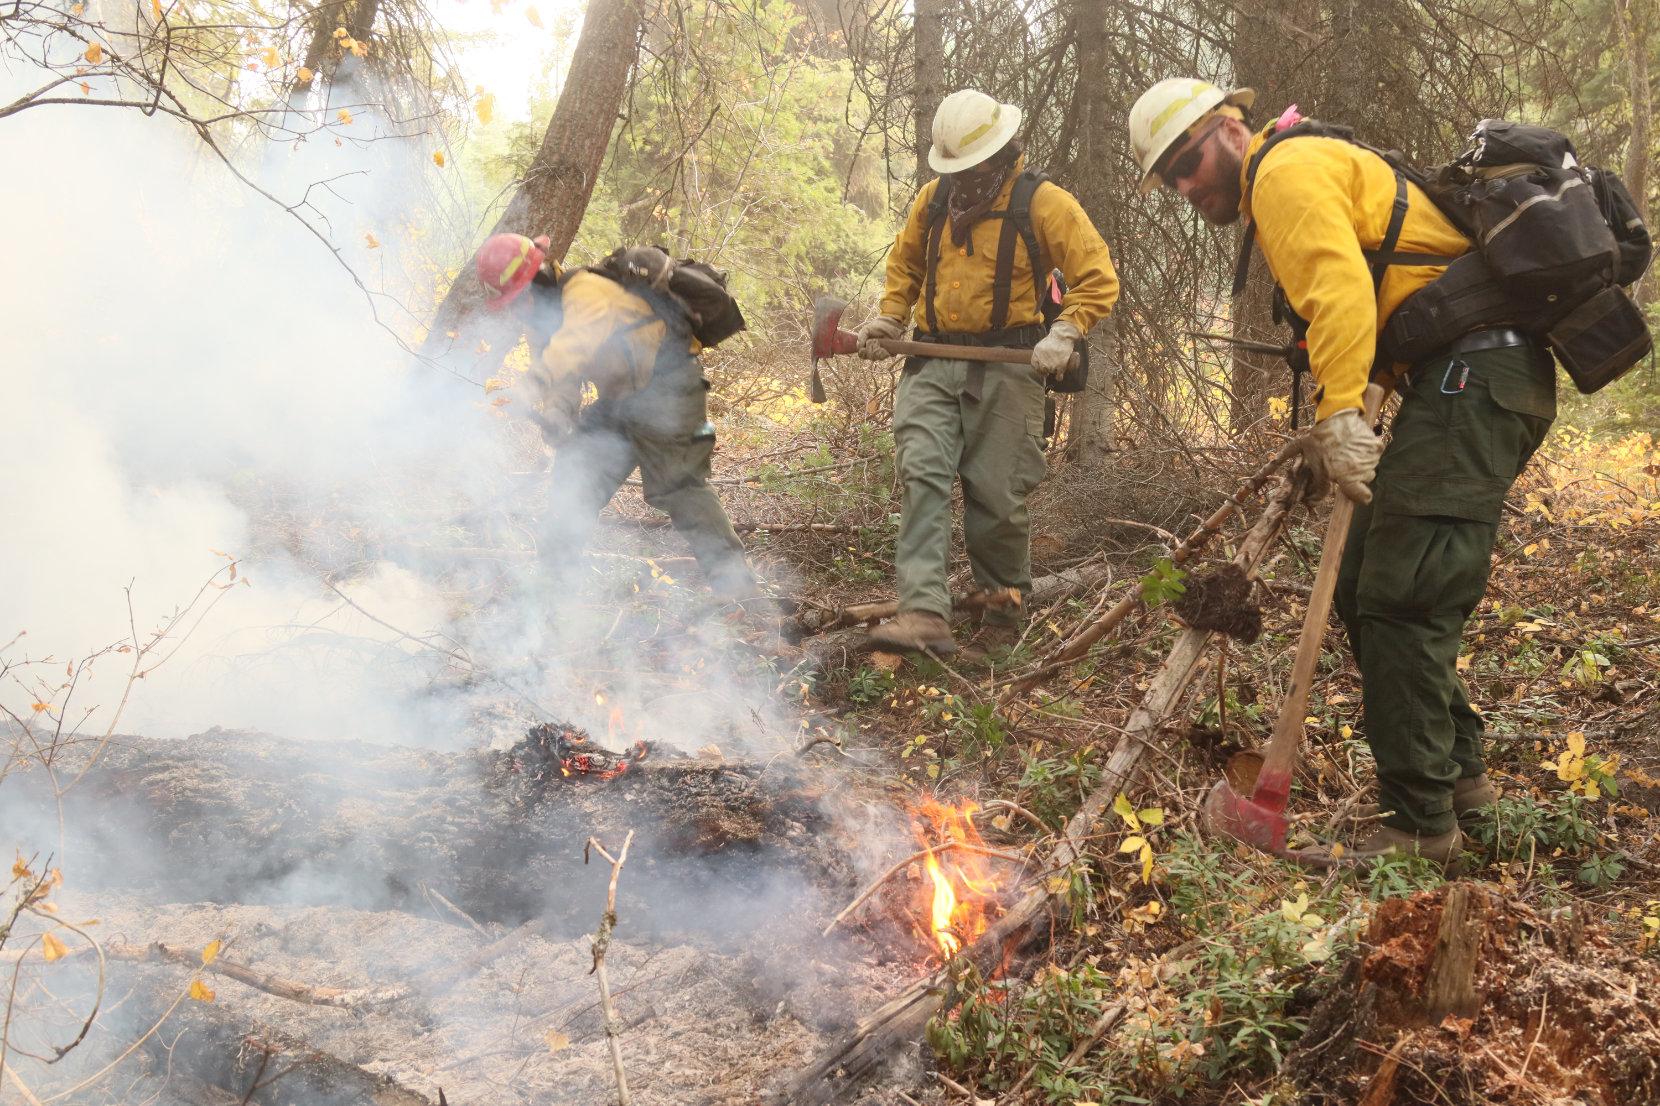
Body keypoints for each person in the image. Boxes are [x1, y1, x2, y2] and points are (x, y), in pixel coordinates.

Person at [1128, 78, 1557, 865]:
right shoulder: (1296, 173)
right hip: (1465, 376)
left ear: (1230, 127)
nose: (1187, 185)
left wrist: (1339, 416)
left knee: (1401, 596)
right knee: (1368, 587)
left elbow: (1343, 296)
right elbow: (1398, 300)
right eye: (1171, 177)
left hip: (1474, 379)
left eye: (1189, 160)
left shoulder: (1281, 174)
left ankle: (1421, 830)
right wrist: (1346, 418)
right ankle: (1460, 787)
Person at [859, 88, 1120, 662]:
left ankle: (1002, 619)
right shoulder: (933, 200)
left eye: (974, 167)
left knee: (997, 498)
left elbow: (1098, 276)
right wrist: (889, 317)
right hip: (930, 360)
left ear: (1002, 152)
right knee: (921, 475)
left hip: (1009, 367)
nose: (965, 179)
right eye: (957, 169)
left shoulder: (1045, 203)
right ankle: (924, 612)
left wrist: (1065, 331)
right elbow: (906, 263)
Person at [474, 233, 764, 609]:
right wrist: (558, 414)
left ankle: (740, 594)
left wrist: (529, 387)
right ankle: (552, 595)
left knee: (678, 488)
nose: (516, 311)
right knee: (573, 479)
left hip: (670, 387)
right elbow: (561, 374)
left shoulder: (587, 290)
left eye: (517, 299)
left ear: (537, 280)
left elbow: (574, 344)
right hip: (618, 401)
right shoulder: (540, 320)